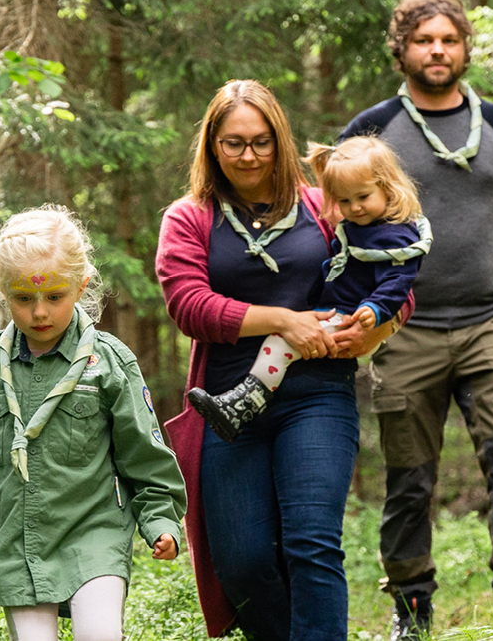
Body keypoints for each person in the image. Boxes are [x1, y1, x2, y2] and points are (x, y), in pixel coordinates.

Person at [338, 0, 493, 636]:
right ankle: (411, 604)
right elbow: (334, 223)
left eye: (448, 39)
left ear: (464, 47)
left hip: (489, 319)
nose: (437, 50)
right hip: (401, 326)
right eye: (423, 40)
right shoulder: (372, 129)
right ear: (402, 49)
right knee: (410, 477)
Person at [156, 80, 407, 641]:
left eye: (262, 142)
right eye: (234, 143)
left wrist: (368, 331)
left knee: (311, 543)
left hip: (316, 396)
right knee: (243, 562)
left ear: (282, 141)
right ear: (212, 146)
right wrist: (284, 320)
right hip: (227, 405)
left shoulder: (324, 205)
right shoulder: (190, 218)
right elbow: (188, 305)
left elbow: (394, 275)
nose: (249, 156)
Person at [0, 205, 185, 641]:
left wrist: (160, 519)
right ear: (4, 294)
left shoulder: (108, 363)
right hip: (21, 542)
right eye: (23, 299)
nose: (39, 312)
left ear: (80, 288)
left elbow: (145, 451)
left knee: (99, 634)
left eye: (54, 297)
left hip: (94, 533)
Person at [185, 136, 434, 443]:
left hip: (346, 317)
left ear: (388, 187)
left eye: (362, 197)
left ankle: (244, 402)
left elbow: (399, 283)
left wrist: (377, 313)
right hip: (330, 312)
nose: (353, 208)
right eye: (344, 201)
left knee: (279, 344)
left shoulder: (394, 234)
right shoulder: (358, 224)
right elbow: (190, 306)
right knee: (281, 341)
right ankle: (246, 400)